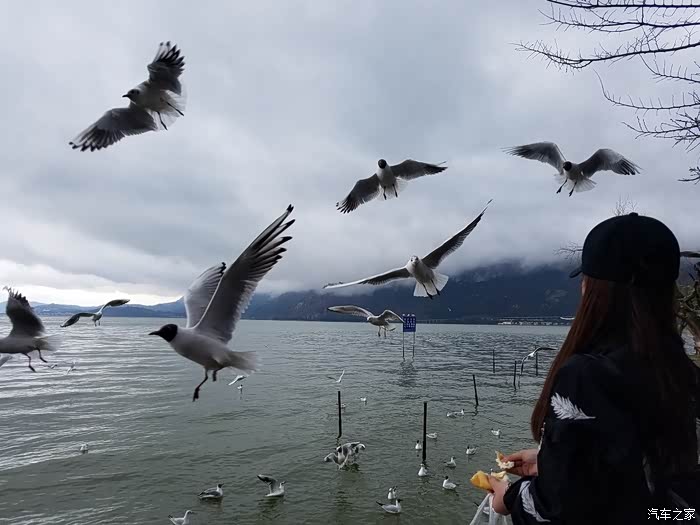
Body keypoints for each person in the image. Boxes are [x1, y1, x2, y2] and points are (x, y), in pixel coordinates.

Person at [488, 213, 700, 524]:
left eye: (585, 281)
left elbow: (556, 512)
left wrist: (508, 497)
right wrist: (553, 462)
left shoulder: (586, 376)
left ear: (593, 290)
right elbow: (642, 472)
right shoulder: (681, 372)